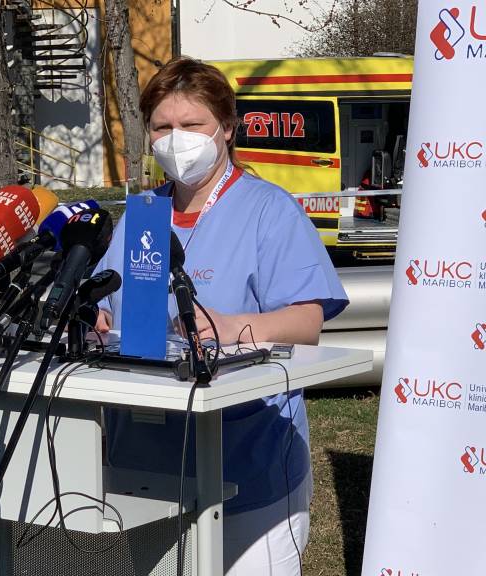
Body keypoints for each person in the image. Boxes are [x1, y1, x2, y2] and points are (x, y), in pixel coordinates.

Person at [93, 58, 348, 575]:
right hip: (145, 473)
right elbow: (105, 305)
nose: (176, 139)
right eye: (163, 127)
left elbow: (308, 323)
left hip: (246, 465)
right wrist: (92, 320)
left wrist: (233, 327)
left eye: (192, 125)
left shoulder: (269, 210)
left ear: (227, 128)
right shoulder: (141, 214)